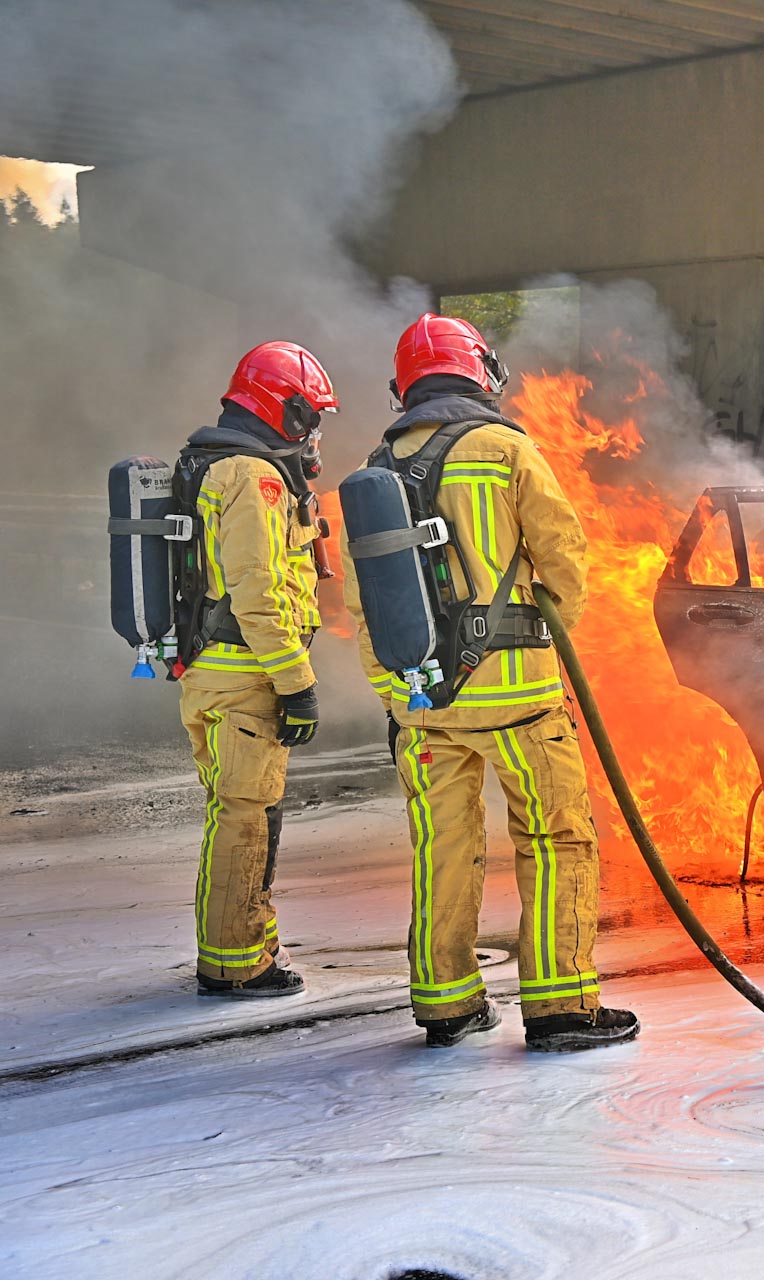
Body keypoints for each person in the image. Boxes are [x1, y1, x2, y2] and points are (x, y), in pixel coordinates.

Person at [343, 313, 638, 1052]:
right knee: (555, 837)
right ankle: (562, 1008)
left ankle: (447, 1005)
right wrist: (542, 635)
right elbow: (563, 556)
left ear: (404, 387)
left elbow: (362, 603)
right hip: (519, 702)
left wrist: (395, 694)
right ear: (481, 372)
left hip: (423, 705)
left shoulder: (376, 470)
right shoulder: (506, 450)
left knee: (440, 847)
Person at [179, 341, 336, 998]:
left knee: (240, 812)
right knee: (247, 818)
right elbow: (258, 592)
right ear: (286, 409)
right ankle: (235, 963)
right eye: (312, 415)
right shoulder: (254, 475)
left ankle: (247, 942)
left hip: (215, 669)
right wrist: (298, 684)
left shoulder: (215, 463)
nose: (316, 431)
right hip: (247, 674)